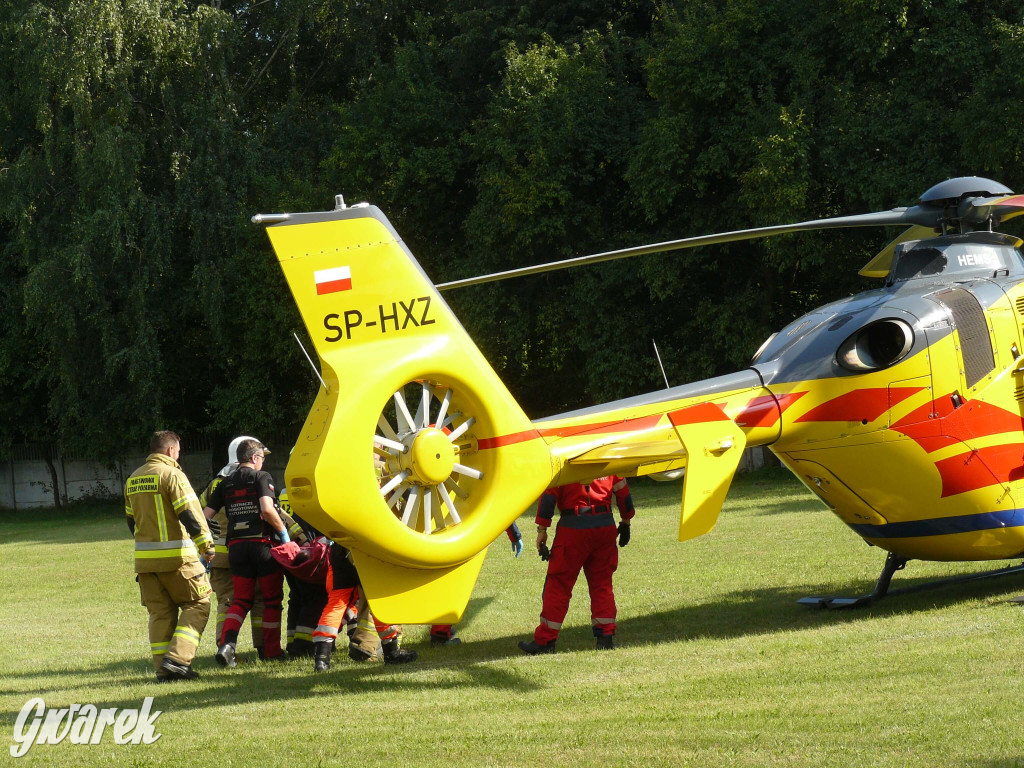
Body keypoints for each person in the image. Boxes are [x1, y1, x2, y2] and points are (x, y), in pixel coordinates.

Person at [125, 430, 215, 682]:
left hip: (145, 563)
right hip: (178, 559)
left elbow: (131, 521)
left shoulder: (133, 478)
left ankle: (163, 671)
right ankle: (178, 660)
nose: (178, 456)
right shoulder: (172, 475)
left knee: (160, 614)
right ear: (169, 451)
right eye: (178, 451)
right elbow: (189, 513)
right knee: (198, 604)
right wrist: (206, 546)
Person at [518, 476, 635, 654]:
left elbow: (549, 496)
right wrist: (626, 522)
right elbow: (623, 493)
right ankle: (605, 639)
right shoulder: (608, 458)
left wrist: (542, 529)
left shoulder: (564, 456)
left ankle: (545, 642)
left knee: (558, 585)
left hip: (572, 528)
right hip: (604, 526)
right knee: (602, 584)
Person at [203, 438, 290, 666]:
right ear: (254, 458)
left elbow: (205, 516)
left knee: (240, 600)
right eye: (261, 458)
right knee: (271, 600)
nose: (262, 462)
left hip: (236, 549)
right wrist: (284, 535)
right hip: (262, 546)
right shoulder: (262, 477)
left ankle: (227, 645)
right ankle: (271, 652)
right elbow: (267, 509)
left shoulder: (225, 483)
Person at [199, 436, 267, 659]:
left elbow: (199, 514)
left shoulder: (215, 484)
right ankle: (263, 646)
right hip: (249, 550)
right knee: (258, 599)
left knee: (227, 602)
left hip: (218, 556)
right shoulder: (254, 479)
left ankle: (225, 645)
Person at [312, 542, 417, 671]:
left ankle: (321, 660)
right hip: (366, 549)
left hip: (340, 550)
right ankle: (392, 653)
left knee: (336, 604)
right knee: (378, 599)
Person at [429, 522, 524, 645]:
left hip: (435, 531)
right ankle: (440, 633)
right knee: (454, 582)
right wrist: (515, 535)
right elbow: (496, 505)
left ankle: (439, 630)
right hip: (458, 533)